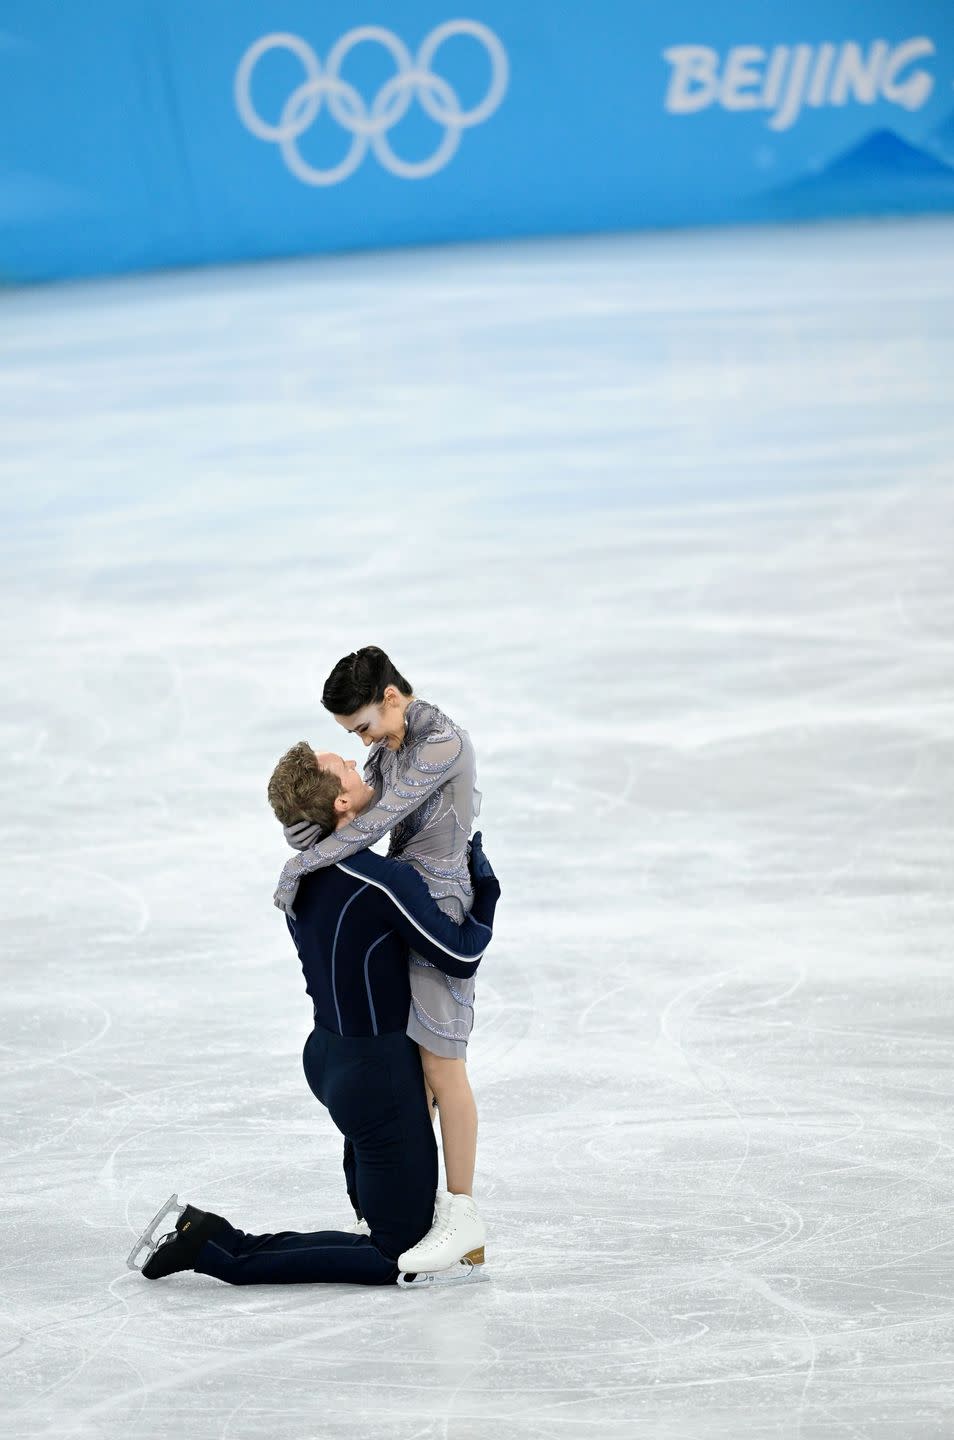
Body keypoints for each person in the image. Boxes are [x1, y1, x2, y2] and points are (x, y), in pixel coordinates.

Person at [127, 822, 500, 1288]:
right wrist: (488, 893)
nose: (359, 770)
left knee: (375, 1152)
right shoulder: (380, 880)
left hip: (329, 1057)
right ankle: (218, 1246)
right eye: (345, 770)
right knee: (396, 1253)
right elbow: (461, 957)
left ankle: (375, 1207)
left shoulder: (299, 874)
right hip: (375, 1074)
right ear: (339, 804)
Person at [274, 647, 485, 1273]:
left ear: (391, 698)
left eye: (362, 726)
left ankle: (465, 1214)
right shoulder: (387, 747)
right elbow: (350, 808)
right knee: (414, 1072)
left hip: (436, 902)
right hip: (398, 896)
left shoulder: (440, 744)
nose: (361, 742)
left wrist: (299, 863)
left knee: (444, 1071)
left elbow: (372, 822)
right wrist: (306, 824)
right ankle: (419, 1214)